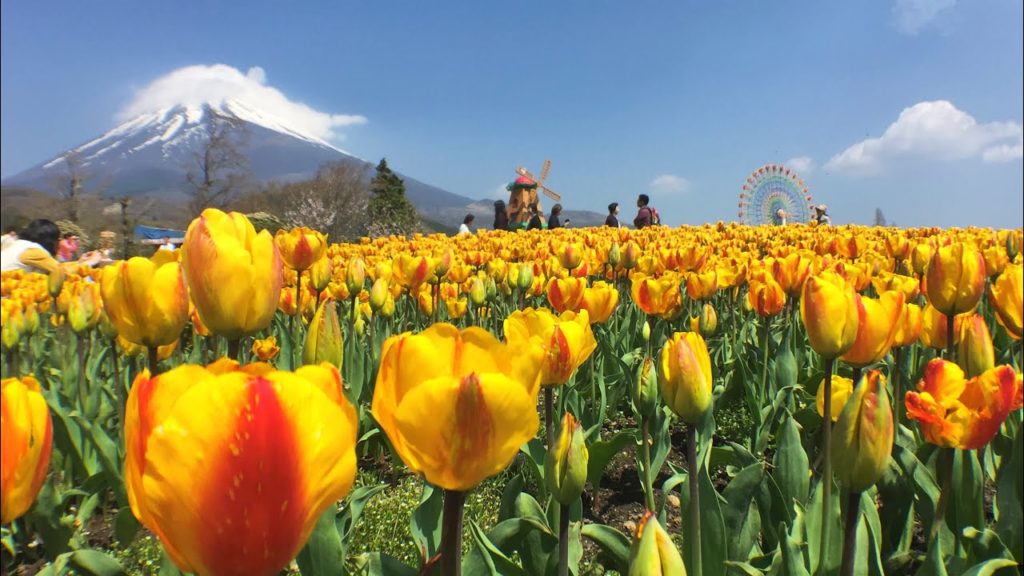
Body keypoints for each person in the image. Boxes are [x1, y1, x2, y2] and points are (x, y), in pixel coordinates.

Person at [1, 219, 99, 274]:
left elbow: (56, 266)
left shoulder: (20, 245)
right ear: (50, 240)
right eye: (57, 239)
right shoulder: (34, 251)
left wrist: (79, 262)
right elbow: (61, 273)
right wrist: (90, 262)